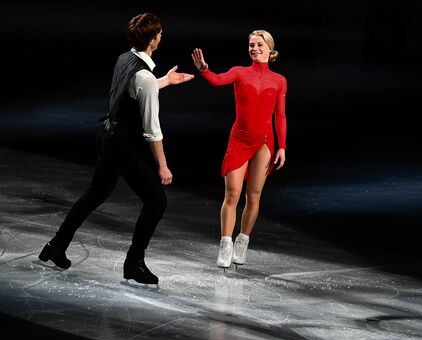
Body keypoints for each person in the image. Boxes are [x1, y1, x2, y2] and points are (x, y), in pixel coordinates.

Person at [38, 12, 194, 284]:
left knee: (95, 193)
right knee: (156, 201)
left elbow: (133, 92)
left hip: (107, 137)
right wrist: (163, 166)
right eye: (160, 33)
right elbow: (151, 129)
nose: (161, 36)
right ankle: (134, 263)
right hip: (122, 144)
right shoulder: (143, 75)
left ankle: (56, 246)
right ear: (154, 38)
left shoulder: (125, 59)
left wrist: (166, 81)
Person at [191, 29, 287, 270]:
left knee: (253, 196)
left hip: (265, 143)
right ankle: (225, 243)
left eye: (259, 44)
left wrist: (282, 146)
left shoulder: (279, 80)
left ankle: (242, 241)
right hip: (240, 140)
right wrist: (204, 69)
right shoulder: (239, 72)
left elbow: (280, 116)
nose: (254, 48)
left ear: (269, 48)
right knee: (232, 194)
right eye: (251, 44)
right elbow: (217, 79)